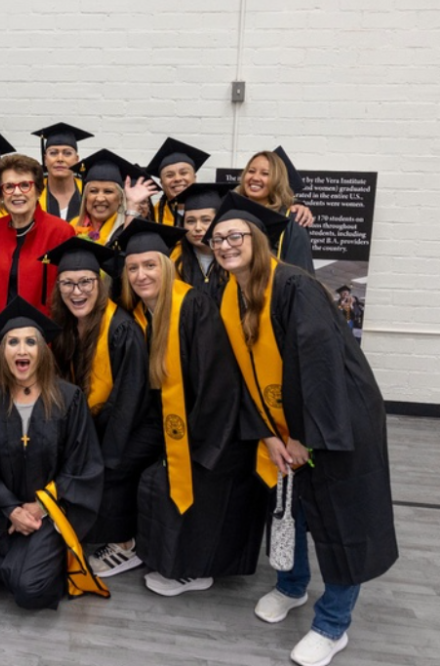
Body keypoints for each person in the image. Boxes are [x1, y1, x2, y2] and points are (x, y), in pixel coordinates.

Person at [207, 195, 398, 666]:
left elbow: (321, 367)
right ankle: (291, 586)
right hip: (280, 424)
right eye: (218, 239)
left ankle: (333, 625)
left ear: (259, 239)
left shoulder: (295, 286)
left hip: (336, 420)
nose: (226, 245)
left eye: (236, 235)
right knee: (288, 509)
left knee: (337, 518)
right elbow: (239, 372)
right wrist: (268, 435)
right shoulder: (227, 292)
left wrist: (301, 437)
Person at [117, 220, 266, 597]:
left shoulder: (191, 305)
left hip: (215, 433)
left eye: (150, 265)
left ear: (166, 266)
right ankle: (169, 558)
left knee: (184, 484)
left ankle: (196, 569)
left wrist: (197, 445)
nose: (141, 274)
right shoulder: (141, 313)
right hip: (181, 424)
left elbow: (215, 383)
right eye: (133, 267)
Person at [0, 297, 108, 610]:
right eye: (13, 342)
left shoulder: (69, 398)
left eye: (30, 342)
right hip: (2, 513)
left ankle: (39, 559)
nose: (22, 350)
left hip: (51, 512)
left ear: (43, 351)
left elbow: (81, 464)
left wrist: (38, 508)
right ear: (0, 352)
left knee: (29, 589)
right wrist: (11, 509)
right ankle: (28, 559)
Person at [43, 237, 159, 577]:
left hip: (135, 425)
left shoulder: (121, 329)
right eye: (67, 283)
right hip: (99, 420)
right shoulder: (65, 325)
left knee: (107, 468)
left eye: (85, 283)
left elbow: (130, 400)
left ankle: (125, 544)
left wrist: (101, 452)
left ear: (100, 283)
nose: (76, 291)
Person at [0, 154, 75, 375]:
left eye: (24, 185)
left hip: (47, 346)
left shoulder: (60, 232)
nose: (17, 192)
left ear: (38, 190)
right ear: (1, 193)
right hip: (2, 345)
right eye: (8, 186)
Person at [235, 150, 315, 273]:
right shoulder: (231, 212)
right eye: (251, 171)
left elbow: (300, 272)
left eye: (265, 174)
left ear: (277, 180)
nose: (255, 178)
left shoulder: (291, 220)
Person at [70, 149, 159, 245]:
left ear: (120, 199)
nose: (100, 198)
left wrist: (132, 204)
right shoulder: (72, 226)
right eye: (93, 191)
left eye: (108, 191)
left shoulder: (128, 225)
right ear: (86, 196)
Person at [171, 182, 235, 302]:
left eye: (206, 220)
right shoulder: (174, 258)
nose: (198, 227)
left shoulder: (234, 257)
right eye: (190, 221)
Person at [31, 122, 93, 221]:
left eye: (67, 153)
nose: (60, 158)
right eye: (53, 153)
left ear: (77, 160)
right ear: (45, 159)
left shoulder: (89, 193)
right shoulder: (32, 193)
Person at [143, 137, 210, 227]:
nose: (177, 179)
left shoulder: (211, 211)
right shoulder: (153, 216)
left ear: (194, 178)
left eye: (183, 173)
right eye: (169, 175)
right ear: (162, 183)